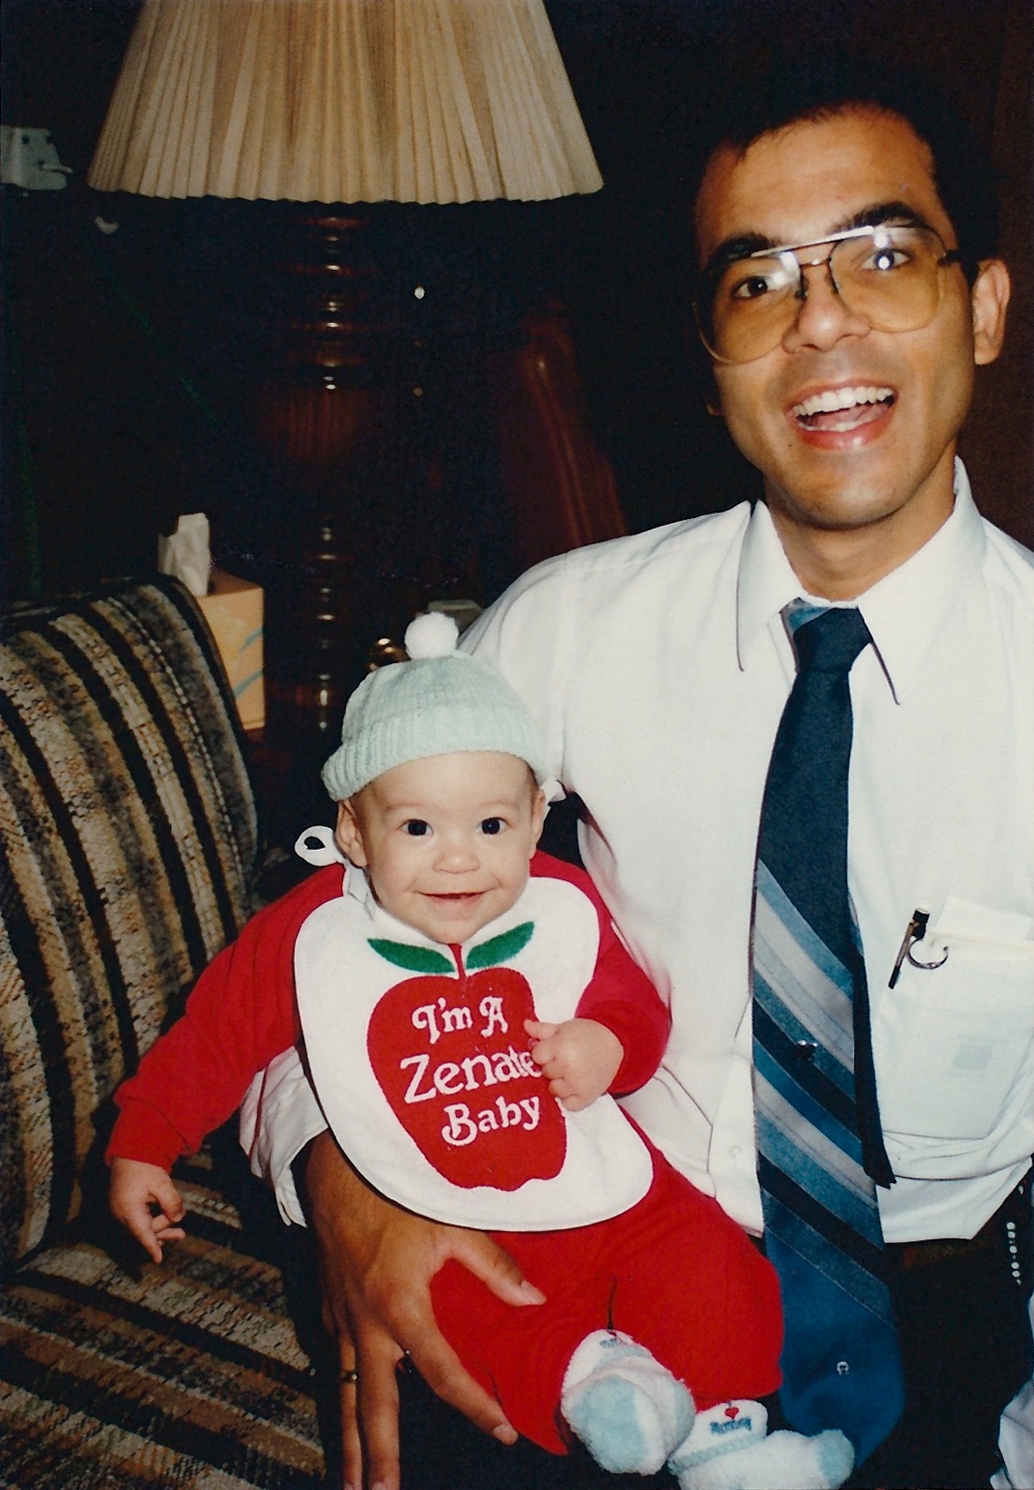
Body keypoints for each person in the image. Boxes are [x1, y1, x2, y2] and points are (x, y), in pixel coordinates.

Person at [249, 62, 1033, 1490]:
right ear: (711, 354)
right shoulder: (561, 629)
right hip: (582, 1260)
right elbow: (307, 937)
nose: (819, 323)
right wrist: (339, 1173)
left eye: (879, 255)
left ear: (980, 305)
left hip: (935, 1320)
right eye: (756, 282)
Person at [107, 612, 853, 1490]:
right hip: (441, 1202)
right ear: (353, 831)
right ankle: (592, 1379)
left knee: (698, 1248)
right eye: (417, 829)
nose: (458, 861)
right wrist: (145, 1139)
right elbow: (216, 1037)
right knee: (451, 1300)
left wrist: (610, 1043)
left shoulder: (561, 904)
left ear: (535, 820)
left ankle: (727, 1435)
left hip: (590, 1168)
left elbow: (630, 1001)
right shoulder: (313, 932)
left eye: (491, 826)